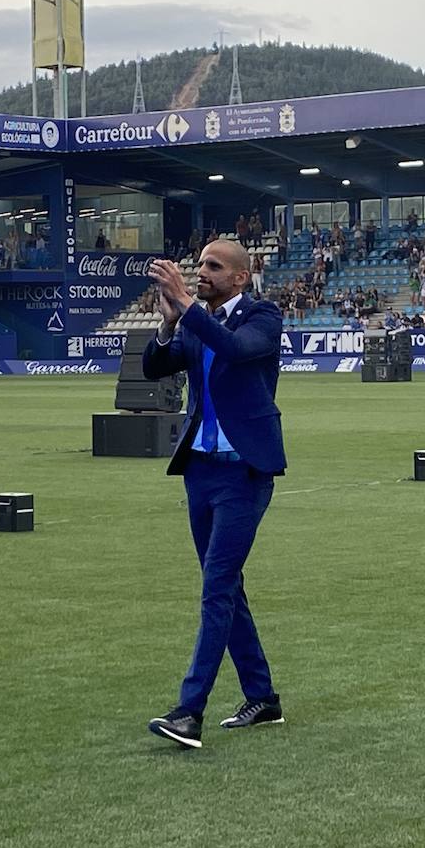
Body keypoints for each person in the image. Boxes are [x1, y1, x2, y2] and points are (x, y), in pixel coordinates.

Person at [142, 241, 287, 750]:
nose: (201, 272)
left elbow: (236, 350)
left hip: (245, 474)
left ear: (241, 278)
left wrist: (183, 305)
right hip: (200, 473)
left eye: (213, 266)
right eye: (199, 264)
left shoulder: (263, 317)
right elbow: (155, 368)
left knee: (217, 587)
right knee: (225, 586)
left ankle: (189, 711)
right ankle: (262, 697)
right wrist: (167, 323)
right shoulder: (195, 319)